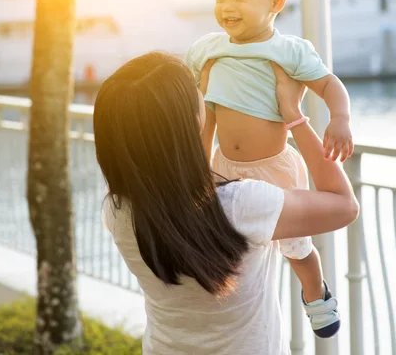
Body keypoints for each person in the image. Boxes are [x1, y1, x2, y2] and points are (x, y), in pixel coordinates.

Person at [95, 51, 358, 354]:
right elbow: (345, 206)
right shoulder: (243, 205)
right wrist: (293, 116)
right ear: (194, 121)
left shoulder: (117, 211)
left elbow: (189, 184)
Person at [184, 0, 354, 337]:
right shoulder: (208, 50)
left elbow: (330, 85)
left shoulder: (290, 51)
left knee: (296, 249)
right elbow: (197, 107)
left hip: (275, 168)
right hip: (224, 167)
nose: (226, 7)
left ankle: (316, 294)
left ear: (276, 2)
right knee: (232, 250)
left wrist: (340, 118)